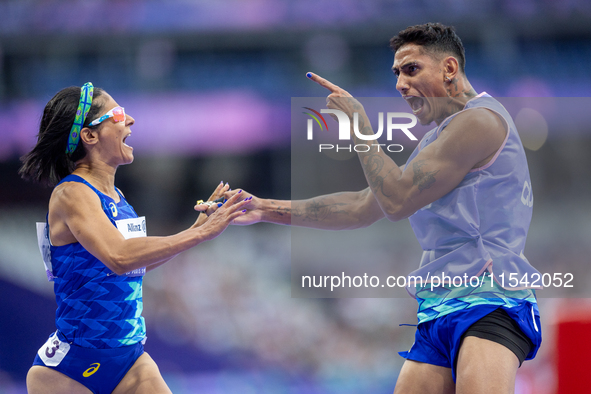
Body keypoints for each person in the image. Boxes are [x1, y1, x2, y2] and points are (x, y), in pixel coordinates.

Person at [227, 23, 542, 394]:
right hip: (438, 308)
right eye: (396, 73)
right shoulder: (436, 140)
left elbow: (396, 201)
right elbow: (362, 206)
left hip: (491, 301)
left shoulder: (479, 121)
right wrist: (263, 207)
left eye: (411, 70)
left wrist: (359, 126)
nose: (400, 84)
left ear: (450, 69)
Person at [20, 82, 251, 394]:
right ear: (89, 135)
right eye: (118, 114)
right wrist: (198, 235)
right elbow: (120, 257)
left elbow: (133, 264)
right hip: (69, 370)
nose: (130, 120)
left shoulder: (118, 198)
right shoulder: (71, 193)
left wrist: (197, 231)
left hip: (129, 361)